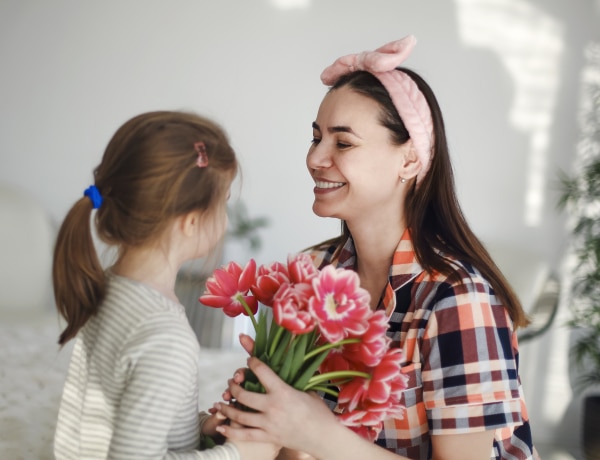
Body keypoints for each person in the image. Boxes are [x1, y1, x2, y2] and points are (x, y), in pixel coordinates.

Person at [212, 36, 539, 460]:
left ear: (409, 160)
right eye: (316, 138)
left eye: (342, 143)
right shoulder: (311, 272)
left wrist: (316, 433)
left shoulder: (458, 299)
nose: (315, 158)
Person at [52, 110, 279, 460]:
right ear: (190, 222)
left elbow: (122, 412)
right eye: (224, 204)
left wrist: (200, 426)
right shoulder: (165, 337)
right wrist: (238, 455)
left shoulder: (108, 290)